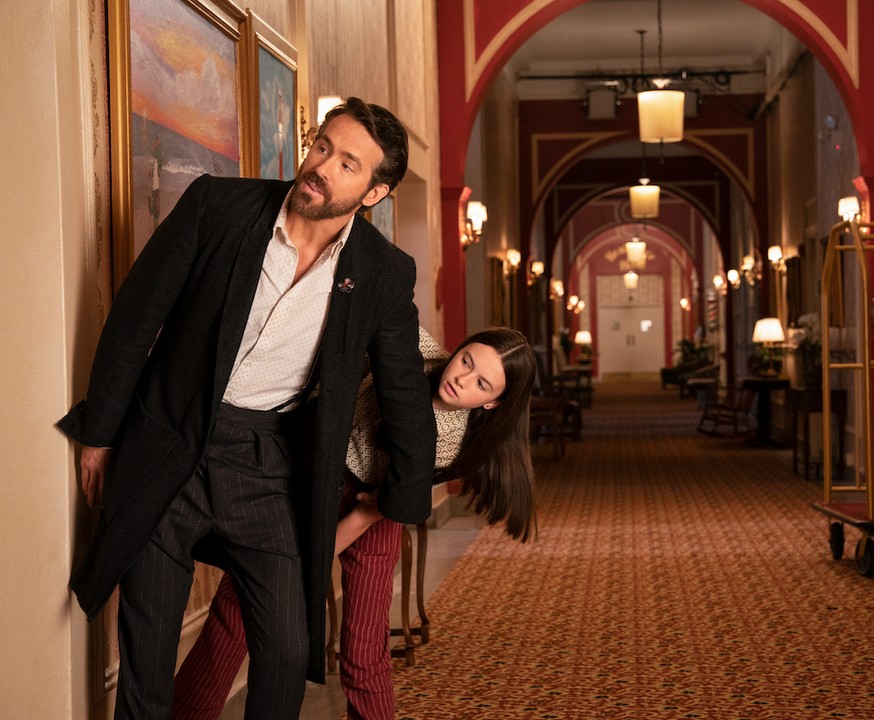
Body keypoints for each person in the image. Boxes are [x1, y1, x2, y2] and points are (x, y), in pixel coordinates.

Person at [57, 97, 437, 720]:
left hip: (268, 463)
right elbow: (135, 317)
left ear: (375, 193)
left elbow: (402, 389)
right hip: (169, 441)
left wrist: (403, 495)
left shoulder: (382, 271)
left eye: (347, 164)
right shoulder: (218, 206)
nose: (321, 168)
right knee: (147, 655)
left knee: (287, 650)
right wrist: (100, 434)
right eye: (322, 147)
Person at [171, 327, 537, 720]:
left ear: (492, 403)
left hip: (374, 515)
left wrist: (301, 561)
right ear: (459, 349)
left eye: (481, 384)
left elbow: (365, 516)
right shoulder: (419, 352)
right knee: (236, 608)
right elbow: (380, 315)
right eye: (466, 361)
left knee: (364, 651)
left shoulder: (448, 445)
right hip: (319, 478)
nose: (462, 379)